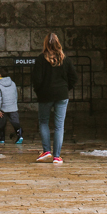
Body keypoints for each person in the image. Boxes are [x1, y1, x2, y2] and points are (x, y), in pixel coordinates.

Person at [32, 33, 76, 165]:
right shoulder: (65, 59)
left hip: (45, 94)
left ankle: (46, 151)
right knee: (59, 126)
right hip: (61, 94)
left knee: (44, 122)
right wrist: (65, 88)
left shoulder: (41, 59)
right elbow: (74, 77)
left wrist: (38, 91)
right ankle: (57, 156)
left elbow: (36, 79)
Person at [0, 67, 23, 145]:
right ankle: (19, 135)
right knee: (15, 122)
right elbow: (15, 95)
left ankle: (2, 137)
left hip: (3, 108)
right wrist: (14, 104)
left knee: (2, 123)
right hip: (13, 106)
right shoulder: (12, 83)